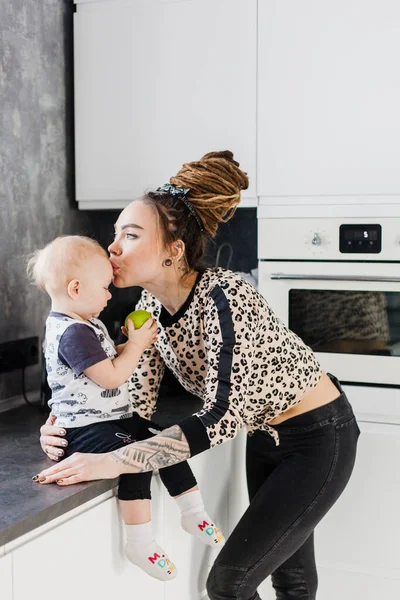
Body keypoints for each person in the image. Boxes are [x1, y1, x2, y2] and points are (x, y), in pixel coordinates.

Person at [34, 151, 360, 600]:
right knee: (290, 577)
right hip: (265, 436)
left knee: (229, 584)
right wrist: (68, 426)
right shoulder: (147, 309)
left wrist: (112, 461)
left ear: (174, 251)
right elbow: (133, 404)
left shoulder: (226, 296)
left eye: (130, 235)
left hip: (320, 435)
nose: (112, 248)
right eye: (115, 234)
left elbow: (222, 415)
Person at [27, 235, 224, 582]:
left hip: (108, 419)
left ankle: (193, 511)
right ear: (75, 288)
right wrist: (135, 347)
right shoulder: (73, 332)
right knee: (138, 457)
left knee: (161, 442)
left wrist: (128, 344)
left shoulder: (82, 323)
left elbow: (99, 363)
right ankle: (140, 542)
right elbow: (111, 378)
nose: (109, 295)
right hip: (87, 429)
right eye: (104, 288)